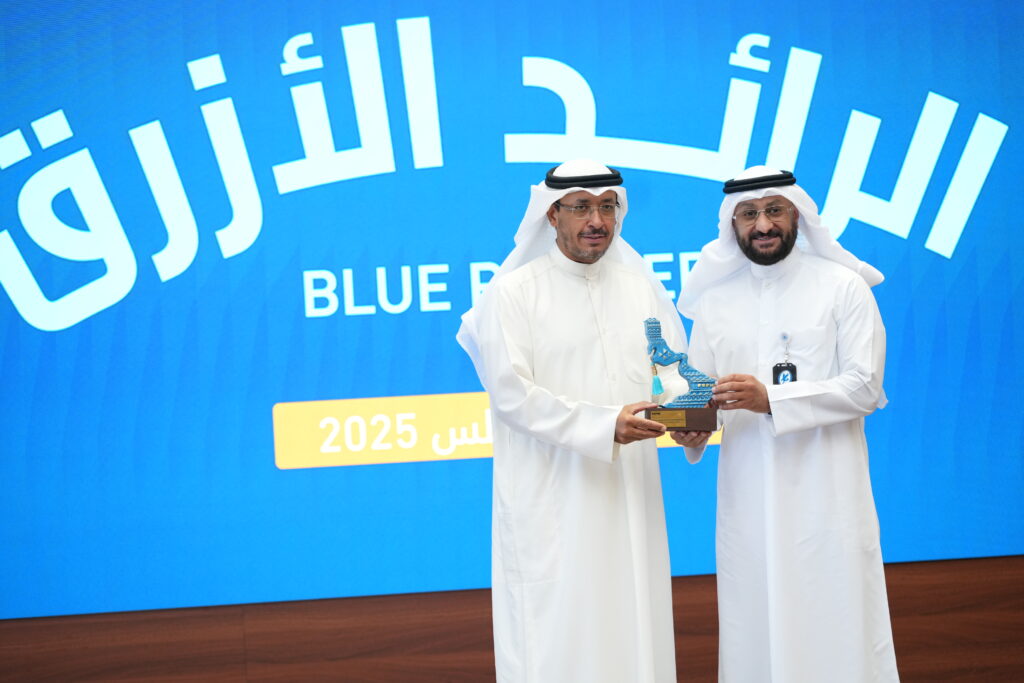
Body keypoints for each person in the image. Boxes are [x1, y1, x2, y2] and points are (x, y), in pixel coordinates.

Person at [457, 160, 685, 683]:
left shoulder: (640, 288)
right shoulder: (514, 292)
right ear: (552, 214)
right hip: (552, 498)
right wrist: (605, 426)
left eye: (607, 207)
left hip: (630, 494)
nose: (596, 220)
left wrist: (687, 417)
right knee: (559, 637)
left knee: (634, 625)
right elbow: (511, 396)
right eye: (581, 207)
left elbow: (671, 373)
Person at [673, 166, 900, 682]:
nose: (763, 225)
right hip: (747, 501)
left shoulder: (843, 287)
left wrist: (771, 399)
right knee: (753, 625)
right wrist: (693, 429)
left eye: (774, 210)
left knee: (834, 621)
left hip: (827, 497)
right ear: (732, 224)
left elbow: (865, 386)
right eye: (748, 214)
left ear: (797, 214)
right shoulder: (715, 302)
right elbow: (701, 395)